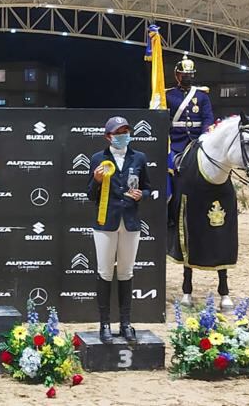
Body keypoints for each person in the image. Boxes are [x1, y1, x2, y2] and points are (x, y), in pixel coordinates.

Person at [87, 116, 152, 343]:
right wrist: (96, 180)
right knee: (105, 272)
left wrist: (141, 194)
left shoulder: (139, 158)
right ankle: (105, 324)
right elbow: (90, 196)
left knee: (126, 272)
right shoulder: (98, 159)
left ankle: (125, 323)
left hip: (131, 223)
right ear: (108, 136)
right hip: (106, 222)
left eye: (126, 131)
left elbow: (149, 188)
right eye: (118, 132)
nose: (123, 135)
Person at [166, 54, 215, 197]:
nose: (187, 77)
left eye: (189, 74)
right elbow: (165, 119)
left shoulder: (202, 95)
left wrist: (204, 136)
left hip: (197, 139)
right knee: (169, 168)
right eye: (183, 74)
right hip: (176, 141)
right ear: (177, 75)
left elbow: (207, 117)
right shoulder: (169, 95)